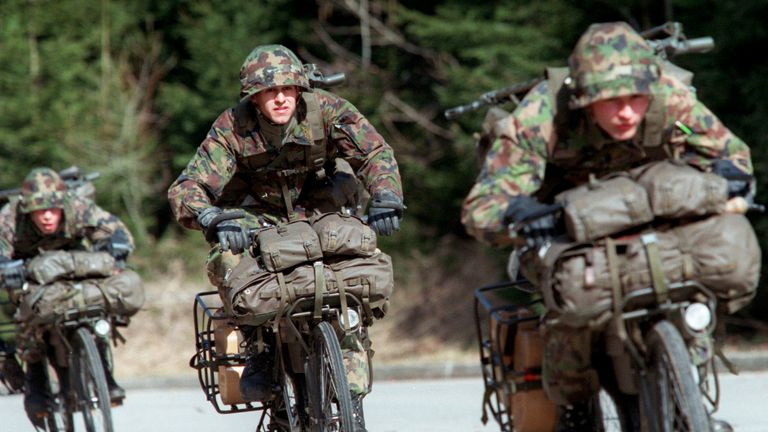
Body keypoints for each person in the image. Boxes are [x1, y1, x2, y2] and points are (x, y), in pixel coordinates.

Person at [461, 22, 753, 431]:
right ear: (582, 98)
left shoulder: (669, 98)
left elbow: (734, 159)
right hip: (567, 229)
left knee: (705, 275)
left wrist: (722, 179)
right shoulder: (544, 112)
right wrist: (520, 218)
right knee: (569, 316)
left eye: (636, 97)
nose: (627, 112)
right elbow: (483, 207)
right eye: (610, 100)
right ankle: (575, 405)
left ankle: (691, 392)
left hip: (658, 217)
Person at [168, 44, 404, 430]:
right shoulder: (232, 127)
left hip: (321, 210)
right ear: (253, 97)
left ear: (300, 89)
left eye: (288, 88)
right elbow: (189, 185)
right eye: (267, 91)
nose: (279, 97)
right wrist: (211, 217)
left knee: (354, 257)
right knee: (226, 261)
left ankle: (349, 342)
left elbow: (374, 152)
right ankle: (257, 344)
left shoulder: (328, 110)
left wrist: (387, 197)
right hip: (255, 216)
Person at [0, 167, 144, 423]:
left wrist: (116, 245)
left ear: (63, 204)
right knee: (17, 308)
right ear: (27, 209)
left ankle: (101, 362)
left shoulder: (78, 206)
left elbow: (115, 229)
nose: (46, 216)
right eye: (39, 210)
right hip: (28, 276)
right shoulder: (10, 218)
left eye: (52, 209)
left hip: (74, 267)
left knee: (102, 293)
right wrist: (6, 268)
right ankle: (35, 374)